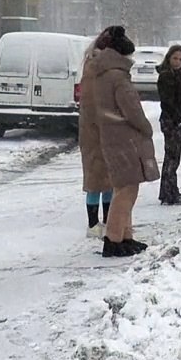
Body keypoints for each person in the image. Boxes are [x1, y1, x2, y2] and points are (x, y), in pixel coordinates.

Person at [91, 25, 157, 258]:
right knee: (127, 190)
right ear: (121, 55)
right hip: (125, 138)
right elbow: (132, 111)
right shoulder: (118, 77)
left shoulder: (101, 74)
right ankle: (114, 240)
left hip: (111, 136)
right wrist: (146, 128)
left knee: (123, 187)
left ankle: (125, 236)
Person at [78, 29, 114, 238]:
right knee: (95, 179)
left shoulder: (96, 65)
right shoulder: (94, 68)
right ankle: (93, 224)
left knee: (107, 178)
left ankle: (107, 221)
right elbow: (92, 103)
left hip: (100, 129)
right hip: (94, 131)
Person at [155, 44, 181, 205]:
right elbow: (167, 101)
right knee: (172, 158)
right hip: (171, 122)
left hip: (177, 120)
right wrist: (178, 118)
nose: (177, 62)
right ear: (169, 57)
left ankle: (169, 191)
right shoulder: (166, 76)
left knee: (173, 157)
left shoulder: (178, 73)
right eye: (175, 58)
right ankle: (170, 194)